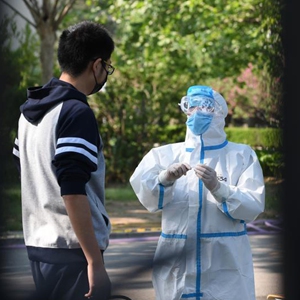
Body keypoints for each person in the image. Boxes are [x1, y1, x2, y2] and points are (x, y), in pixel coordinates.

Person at [129, 85, 265, 300]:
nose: (196, 113)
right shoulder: (163, 155)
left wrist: (220, 188)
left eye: (205, 107)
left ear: (219, 113)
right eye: (190, 107)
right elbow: (147, 196)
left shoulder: (241, 156)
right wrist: (164, 180)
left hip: (225, 263)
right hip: (177, 261)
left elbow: (253, 206)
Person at [12, 21, 115, 300]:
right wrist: (94, 261)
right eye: (107, 67)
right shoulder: (75, 112)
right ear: (97, 65)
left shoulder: (29, 113)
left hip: (38, 243)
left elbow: (27, 170)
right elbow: (71, 188)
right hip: (73, 250)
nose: (106, 73)